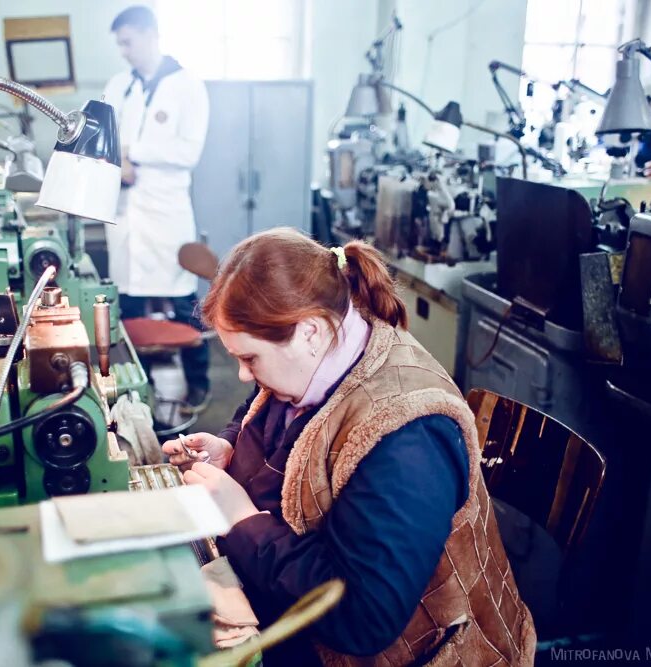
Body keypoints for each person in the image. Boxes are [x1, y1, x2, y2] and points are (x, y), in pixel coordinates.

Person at [163, 229, 535, 666]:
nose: (244, 376)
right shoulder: (324, 355)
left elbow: (363, 618)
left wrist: (243, 522)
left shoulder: (406, 439)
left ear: (310, 332)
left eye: (250, 359)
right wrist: (230, 446)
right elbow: (261, 405)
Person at [102, 5, 212, 413]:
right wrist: (119, 161)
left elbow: (188, 151)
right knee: (126, 303)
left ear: (149, 35)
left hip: (167, 213)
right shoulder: (118, 85)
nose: (124, 51)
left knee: (184, 301)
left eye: (128, 42)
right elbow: (103, 133)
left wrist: (134, 153)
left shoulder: (187, 87)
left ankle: (199, 382)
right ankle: (135, 389)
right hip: (127, 211)